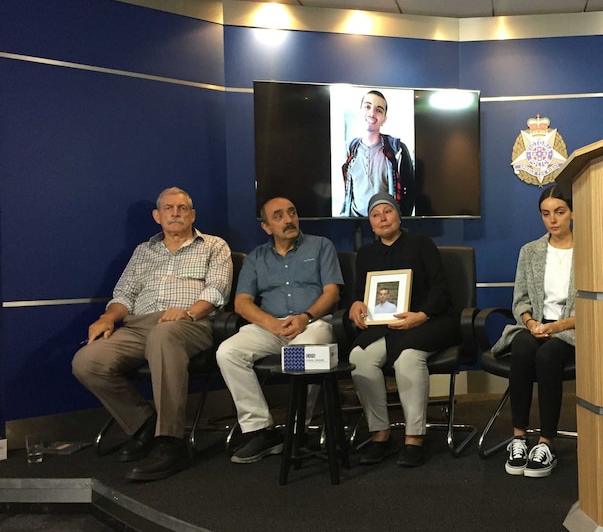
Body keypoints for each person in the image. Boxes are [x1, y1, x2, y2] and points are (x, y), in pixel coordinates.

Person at [72, 187, 232, 481]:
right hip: (139, 325)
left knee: (164, 335)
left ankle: (171, 441)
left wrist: (187, 312)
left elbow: (217, 290)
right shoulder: (143, 251)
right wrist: (107, 318)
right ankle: (144, 423)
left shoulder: (213, 245)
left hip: (191, 323)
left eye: (182, 208)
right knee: (86, 361)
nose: (175, 212)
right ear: (157, 216)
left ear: (192, 214)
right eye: (169, 208)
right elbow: (125, 294)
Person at [216, 197, 343, 464]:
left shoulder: (321, 246)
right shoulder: (255, 258)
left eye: (292, 213)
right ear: (266, 227)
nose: (288, 220)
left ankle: (297, 428)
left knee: (301, 354)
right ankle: (260, 429)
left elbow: (332, 293)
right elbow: (241, 303)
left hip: (313, 324)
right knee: (228, 352)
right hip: (270, 327)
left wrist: (305, 317)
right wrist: (271, 324)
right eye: (279, 216)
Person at [348, 192, 458, 467]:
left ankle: (414, 437)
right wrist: (355, 304)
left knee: (408, 356)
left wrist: (420, 315)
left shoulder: (421, 243)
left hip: (429, 320)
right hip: (386, 326)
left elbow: (441, 290)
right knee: (359, 359)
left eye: (388, 212)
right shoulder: (366, 254)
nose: (382, 219)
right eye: (375, 215)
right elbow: (360, 293)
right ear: (370, 223)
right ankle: (380, 433)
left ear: (399, 215)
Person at [492, 185, 576, 478]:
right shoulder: (530, 251)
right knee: (524, 348)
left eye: (559, 212)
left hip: (571, 329)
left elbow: (592, 304)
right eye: (546, 214)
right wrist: (531, 324)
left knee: (548, 356)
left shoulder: (589, 248)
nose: (553, 219)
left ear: (572, 212)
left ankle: (546, 442)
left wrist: (558, 326)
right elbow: (521, 300)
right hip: (537, 325)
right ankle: (518, 437)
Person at [341, 90, 415, 217]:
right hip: (354, 225)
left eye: (379, 110)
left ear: (384, 120)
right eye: (367, 106)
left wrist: (401, 219)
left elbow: (411, 191)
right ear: (360, 112)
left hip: (387, 225)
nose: (372, 113)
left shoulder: (398, 150)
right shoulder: (351, 150)